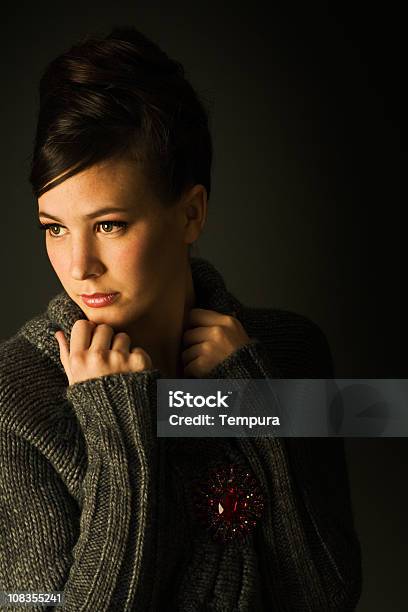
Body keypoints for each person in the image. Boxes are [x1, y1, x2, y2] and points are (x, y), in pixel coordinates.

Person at [0, 25, 362, 611]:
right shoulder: (17, 400)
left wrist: (253, 403)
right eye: (55, 228)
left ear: (191, 213)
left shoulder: (291, 353)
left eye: (109, 225)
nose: (79, 264)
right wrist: (119, 424)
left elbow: (329, 594)